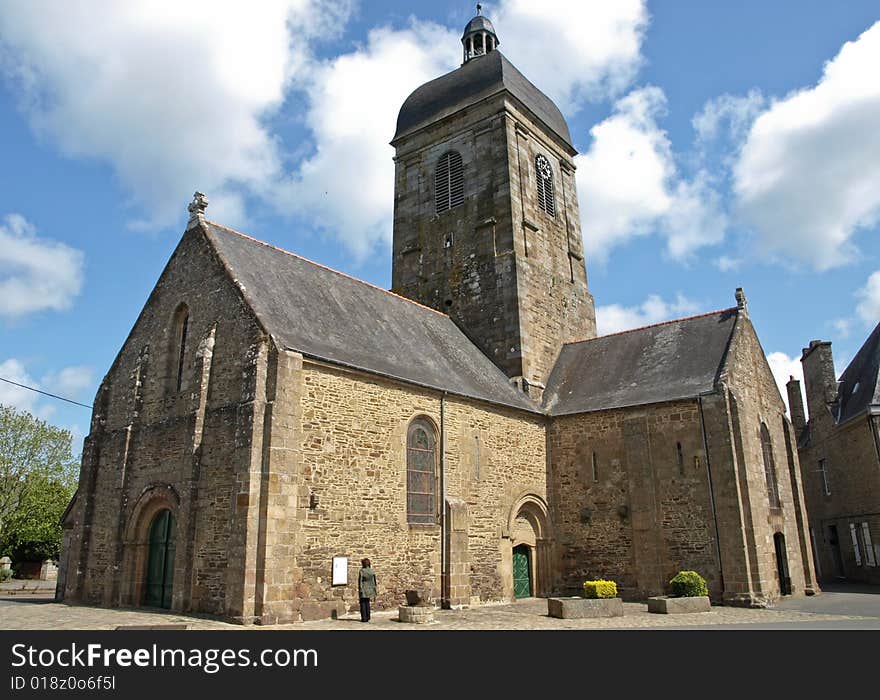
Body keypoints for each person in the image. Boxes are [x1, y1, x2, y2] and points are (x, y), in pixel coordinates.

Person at [358, 558, 377, 622]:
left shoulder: (362, 571)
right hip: (370, 589)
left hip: (364, 588)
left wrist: (360, 589)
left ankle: (364, 618)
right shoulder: (372, 571)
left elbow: (360, 581)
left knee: (363, 603)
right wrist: (374, 588)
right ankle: (368, 616)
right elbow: (374, 581)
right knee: (367, 603)